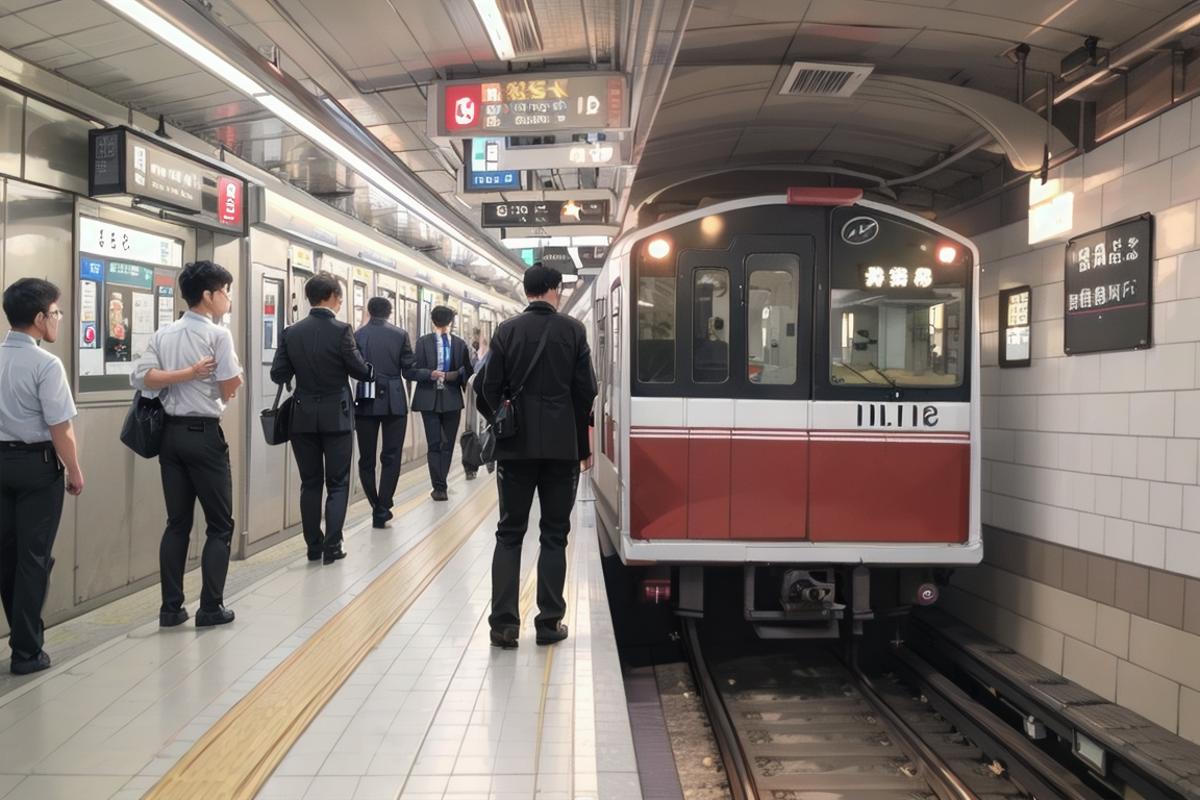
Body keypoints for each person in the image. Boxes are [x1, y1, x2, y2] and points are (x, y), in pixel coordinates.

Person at [481, 264, 597, 649]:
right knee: (554, 535)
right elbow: (586, 392)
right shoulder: (573, 331)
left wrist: (503, 420)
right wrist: (581, 443)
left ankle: (503, 626)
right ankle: (549, 624)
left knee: (509, 533)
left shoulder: (507, 331)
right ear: (555, 290)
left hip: (515, 450)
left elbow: (487, 388)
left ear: (527, 291)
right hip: (562, 449)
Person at [131, 261, 242, 629]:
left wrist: (180, 377)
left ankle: (171, 609)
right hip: (204, 435)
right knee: (220, 524)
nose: (227, 298)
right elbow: (229, 384)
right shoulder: (218, 335)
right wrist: (197, 375)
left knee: (177, 522)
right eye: (225, 291)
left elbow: (144, 377)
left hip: (170, 438)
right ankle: (210, 608)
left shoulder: (164, 334)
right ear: (208, 296)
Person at [0, 279, 83, 674]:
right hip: (37, 468)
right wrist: (75, 469)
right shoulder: (46, 364)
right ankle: (27, 652)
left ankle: (22, 636)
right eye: (55, 312)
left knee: (7, 557)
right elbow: (60, 427)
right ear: (38, 319)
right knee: (33, 558)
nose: (58, 319)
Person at [271, 273, 373, 564]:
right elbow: (359, 370)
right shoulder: (342, 330)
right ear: (330, 296)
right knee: (338, 482)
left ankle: (313, 546)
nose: (340, 302)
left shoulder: (291, 332)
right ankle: (333, 546)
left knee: (310, 483)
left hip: (302, 417)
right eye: (340, 297)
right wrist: (370, 370)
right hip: (337, 418)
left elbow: (278, 374)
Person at [354, 296, 415, 529]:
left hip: (365, 399)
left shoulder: (358, 335)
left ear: (369, 312)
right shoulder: (400, 335)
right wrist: (428, 373)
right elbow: (408, 369)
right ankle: (384, 505)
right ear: (389, 313)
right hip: (394, 400)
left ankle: (375, 505)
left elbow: (355, 366)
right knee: (391, 456)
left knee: (366, 458)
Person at [406, 305, 472, 501]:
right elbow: (413, 371)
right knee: (437, 443)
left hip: (450, 398)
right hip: (430, 399)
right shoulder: (424, 342)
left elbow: (467, 371)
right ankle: (440, 485)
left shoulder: (459, 344)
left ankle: (440, 484)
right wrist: (430, 374)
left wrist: (453, 375)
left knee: (446, 443)